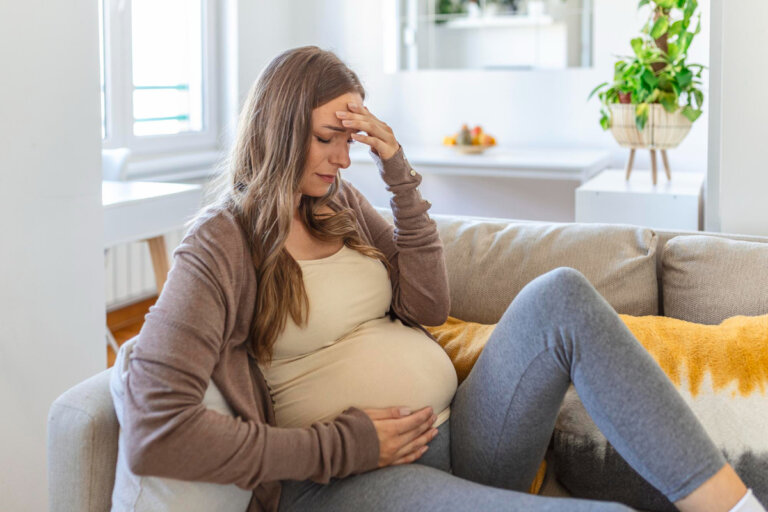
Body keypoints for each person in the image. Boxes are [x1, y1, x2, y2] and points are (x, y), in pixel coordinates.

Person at [116, 45, 765, 512]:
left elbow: (428, 305)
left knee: (561, 295)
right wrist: (343, 445)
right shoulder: (222, 241)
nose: (344, 159)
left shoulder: (337, 204)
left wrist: (396, 167)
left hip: (463, 435)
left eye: (353, 141)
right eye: (326, 139)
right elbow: (157, 433)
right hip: (345, 480)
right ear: (278, 127)